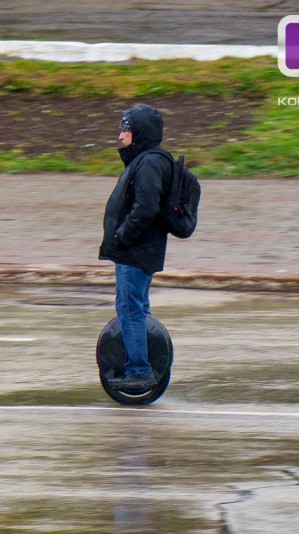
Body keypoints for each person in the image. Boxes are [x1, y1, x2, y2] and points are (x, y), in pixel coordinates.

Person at [98, 104, 173, 390]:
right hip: (139, 249)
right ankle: (145, 365)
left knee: (129, 309)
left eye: (125, 129)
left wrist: (122, 236)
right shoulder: (145, 159)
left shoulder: (150, 162)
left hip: (136, 250)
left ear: (138, 132)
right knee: (136, 309)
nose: (120, 136)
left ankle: (139, 371)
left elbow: (147, 207)